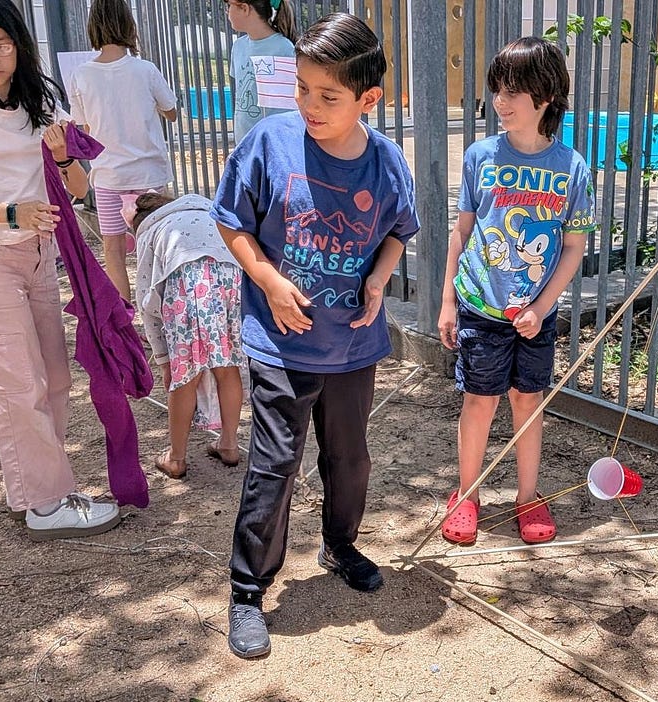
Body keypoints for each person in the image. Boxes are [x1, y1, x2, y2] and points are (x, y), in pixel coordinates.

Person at [212, 12, 418, 660]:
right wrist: (270, 281)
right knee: (274, 463)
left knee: (349, 458)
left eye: (328, 96)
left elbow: (397, 231)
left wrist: (379, 279)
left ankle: (340, 544)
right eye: (302, 88)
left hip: (352, 345)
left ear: (368, 99)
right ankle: (248, 590)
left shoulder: (386, 163)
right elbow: (231, 222)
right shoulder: (268, 143)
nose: (310, 105)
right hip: (282, 342)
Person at [0, 0, 122, 540]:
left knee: (55, 377)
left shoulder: (44, 99)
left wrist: (63, 159)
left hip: (42, 256)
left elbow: (78, 187)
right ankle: (47, 502)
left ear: (20, 44)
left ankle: (33, 491)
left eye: (1, 45)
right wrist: (8, 214)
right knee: (18, 381)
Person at [435, 37, 596, 547]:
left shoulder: (573, 168)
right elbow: (461, 232)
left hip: (535, 317)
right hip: (480, 308)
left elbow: (573, 248)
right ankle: (467, 494)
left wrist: (542, 308)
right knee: (479, 402)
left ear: (545, 96)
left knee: (528, 401)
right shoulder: (480, 156)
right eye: (497, 90)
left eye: (512, 92)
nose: (499, 102)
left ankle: (528, 497)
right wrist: (447, 302)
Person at [128, 190, 246, 479]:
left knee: (185, 375)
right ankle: (229, 444)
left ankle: (176, 457)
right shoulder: (206, 213)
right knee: (227, 366)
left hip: (187, 284)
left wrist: (163, 359)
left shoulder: (151, 231)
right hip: (232, 281)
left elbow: (147, 298)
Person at [66, 0, 178, 300]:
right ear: (130, 25)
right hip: (149, 173)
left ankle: (125, 315)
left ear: (93, 27)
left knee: (113, 250)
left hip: (108, 176)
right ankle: (159, 311)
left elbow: (83, 127)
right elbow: (171, 112)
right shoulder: (146, 70)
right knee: (155, 247)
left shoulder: (80, 74)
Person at [224, 0, 298, 144]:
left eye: (229, 6)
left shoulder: (284, 49)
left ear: (244, 8)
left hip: (275, 145)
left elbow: (290, 106)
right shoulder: (238, 47)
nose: (227, 11)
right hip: (244, 144)